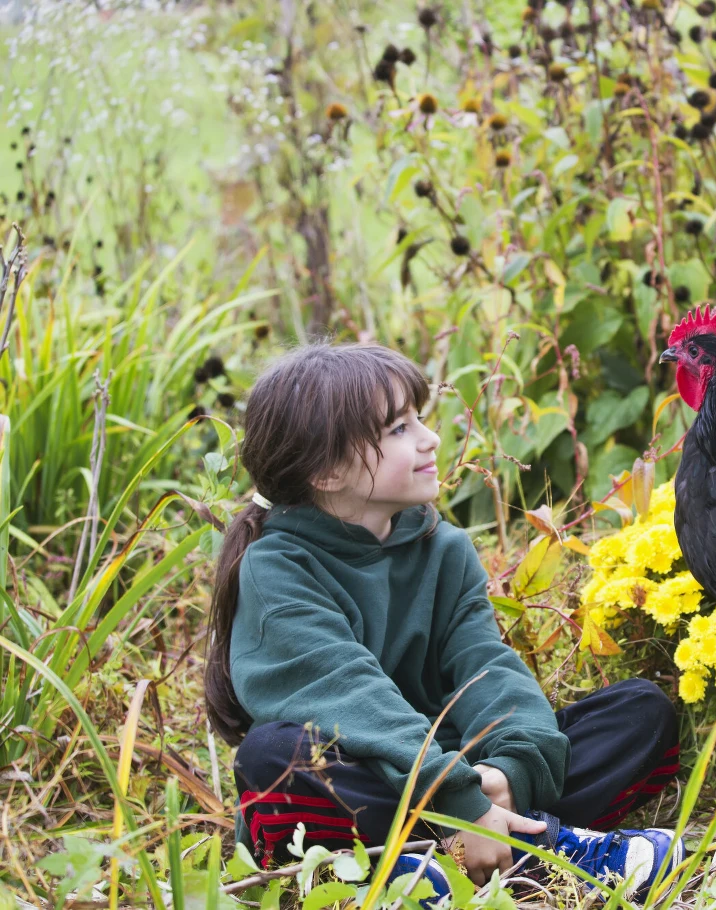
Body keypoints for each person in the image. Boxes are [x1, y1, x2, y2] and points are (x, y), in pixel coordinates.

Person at [203, 343, 683, 899]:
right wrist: (459, 802)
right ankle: (544, 850)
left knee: (640, 712)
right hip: (365, 771)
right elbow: (349, 693)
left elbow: (486, 669)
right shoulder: (277, 568)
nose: (430, 438)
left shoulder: (443, 547)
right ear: (328, 471)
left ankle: (433, 865)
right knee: (273, 759)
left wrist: (506, 773)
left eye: (419, 418)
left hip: (457, 772)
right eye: (398, 429)